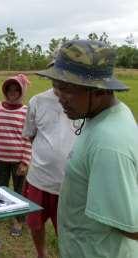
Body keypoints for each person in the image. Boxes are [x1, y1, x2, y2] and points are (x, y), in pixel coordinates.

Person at [36, 39, 138, 257]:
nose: (59, 97)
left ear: (99, 91)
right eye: (57, 87)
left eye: (67, 89)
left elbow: (132, 227)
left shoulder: (108, 143)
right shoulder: (105, 115)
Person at [22, 88, 76, 258]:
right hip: (39, 178)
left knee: (69, 230)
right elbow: (31, 134)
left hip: (71, 183)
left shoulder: (84, 98)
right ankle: (41, 254)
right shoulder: (37, 101)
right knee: (35, 224)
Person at [0, 74, 32, 237]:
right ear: (5, 91)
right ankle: (1, 211)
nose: (13, 93)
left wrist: (25, 161)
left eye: (17, 90)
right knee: (0, 187)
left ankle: (18, 220)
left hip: (18, 161)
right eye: (10, 89)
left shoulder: (26, 111)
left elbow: (29, 138)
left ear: (22, 92)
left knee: (19, 190)